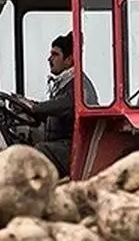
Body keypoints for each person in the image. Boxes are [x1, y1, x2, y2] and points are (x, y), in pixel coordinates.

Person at [7, 32, 97, 176]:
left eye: (55, 55)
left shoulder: (78, 86)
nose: (49, 59)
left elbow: (62, 105)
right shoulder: (64, 84)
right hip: (62, 144)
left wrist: (33, 107)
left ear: (69, 59)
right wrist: (26, 106)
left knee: (37, 152)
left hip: (73, 147)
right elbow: (54, 110)